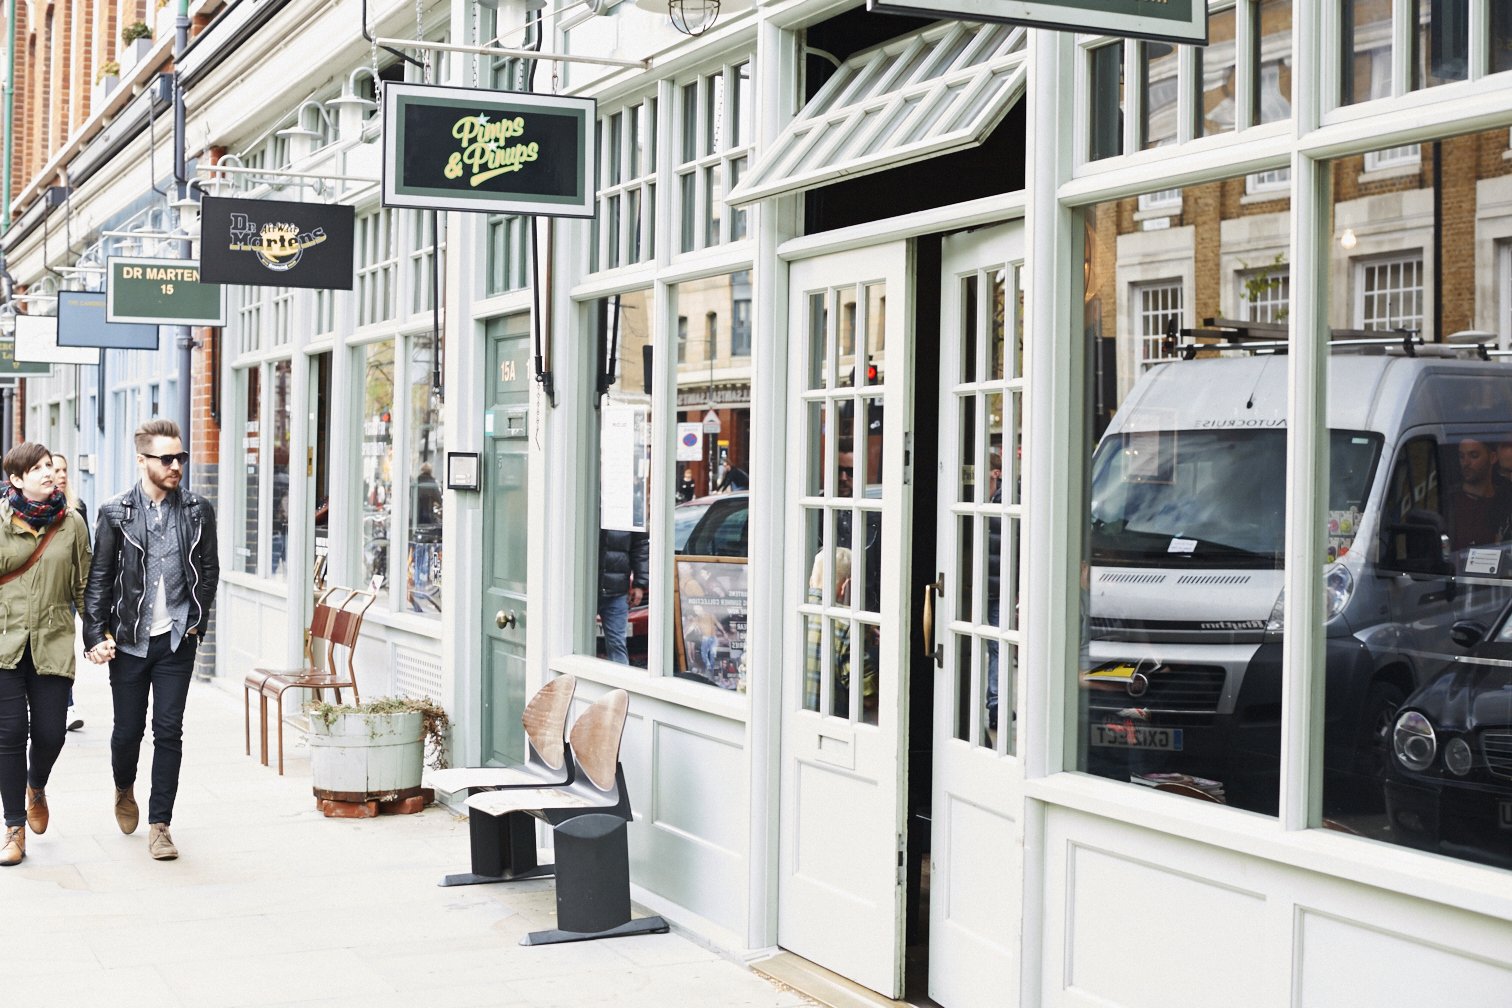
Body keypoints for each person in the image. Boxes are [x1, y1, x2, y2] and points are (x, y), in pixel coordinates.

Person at [83, 419, 220, 861]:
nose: (176, 465)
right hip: (129, 641)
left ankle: (160, 825)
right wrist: (95, 633)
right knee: (127, 732)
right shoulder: (115, 512)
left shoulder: (197, 510)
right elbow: (100, 577)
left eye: (181, 457)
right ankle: (124, 787)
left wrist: (196, 619)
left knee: (168, 731)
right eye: (167, 458)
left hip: (176, 641)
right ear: (142, 461)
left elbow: (209, 570)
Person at [0, 443, 93, 867]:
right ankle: (14, 828)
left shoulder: (71, 523)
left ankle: (36, 786)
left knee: (52, 733)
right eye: (36, 468)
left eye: (49, 466)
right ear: (17, 479)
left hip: (52, 640)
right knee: (9, 735)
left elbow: (85, 584)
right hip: (5, 640)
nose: (47, 473)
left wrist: (96, 634)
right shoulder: (2, 519)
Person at [51, 452, 87, 732]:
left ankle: (67, 705)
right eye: (56, 470)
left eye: (65, 470)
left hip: (69, 591)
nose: (62, 475)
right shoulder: (34, 509)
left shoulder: (77, 508)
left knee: (62, 646)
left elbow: (86, 554)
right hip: (44, 591)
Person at [1444, 437, 1512, 552]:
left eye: (1474, 455)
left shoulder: (1505, 499)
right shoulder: (1449, 502)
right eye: (1461, 456)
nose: (1466, 463)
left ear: (1492, 458)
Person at [598, 528, 649, 665]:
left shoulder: (626, 516)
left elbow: (641, 547)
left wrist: (640, 584)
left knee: (617, 644)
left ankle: (619, 678)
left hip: (617, 590)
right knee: (579, 643)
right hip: (585, 591)